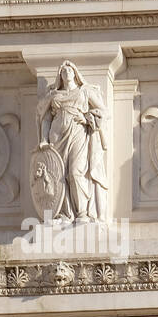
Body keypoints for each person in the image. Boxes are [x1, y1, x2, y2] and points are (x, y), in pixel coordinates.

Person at [36, 60, 109, 221]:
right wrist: (43, 138)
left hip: (78, 132)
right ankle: (64, 213)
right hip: (56, 135)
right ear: (60, 76)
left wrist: (86, 117)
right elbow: (46, 118)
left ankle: (82, 211)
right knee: (58, 175)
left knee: (75, 171)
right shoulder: (54, 95)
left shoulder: (85, 91)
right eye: (63, 71)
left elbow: (103, 111)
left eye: (69, 70)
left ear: (75, 74)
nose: (66, 73)